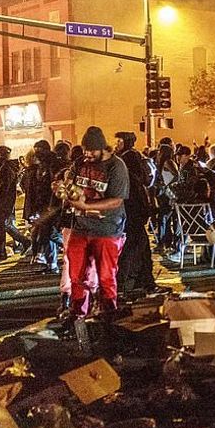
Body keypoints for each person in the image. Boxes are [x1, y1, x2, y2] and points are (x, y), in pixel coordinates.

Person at [63, 127, 130, 318]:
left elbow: (116, 200)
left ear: (102, 148)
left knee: (106, 276)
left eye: (92, 150)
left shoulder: (116, 166)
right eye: (85, 150)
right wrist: (64, 188)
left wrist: (86, 205)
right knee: (76, 275)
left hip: (107, 228)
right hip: (81, 227)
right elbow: (70, 183)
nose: (88, 154)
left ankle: (109, 314)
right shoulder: (80, 162)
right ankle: (78, 314)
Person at [114, 131, 160, 297]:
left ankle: (133, 282)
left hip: (132, 208)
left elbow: (134, 183)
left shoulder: (128, 158)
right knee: (138, 246)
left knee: (134, 246)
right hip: (132, 209)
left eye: (119, 141)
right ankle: (143, 282)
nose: (116, 144)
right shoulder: (127, 157)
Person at [0, 145, 31, 260]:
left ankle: (23, 242)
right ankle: (1, 251)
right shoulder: (3, 167)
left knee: (3, 225)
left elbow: (4, 188)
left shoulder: (6, 169)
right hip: (1, 202)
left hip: (3, 202)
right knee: (1, 226)